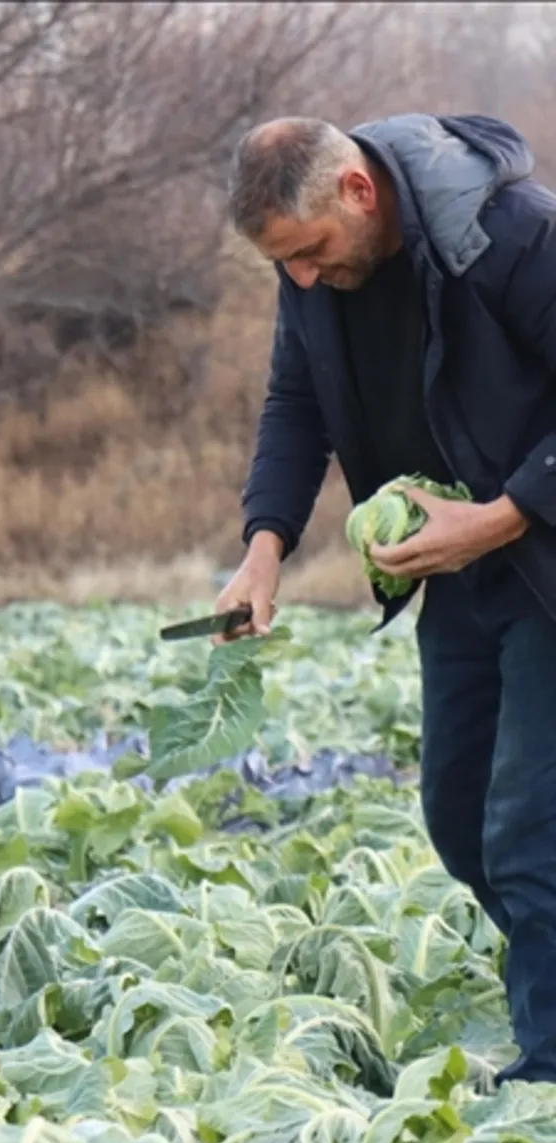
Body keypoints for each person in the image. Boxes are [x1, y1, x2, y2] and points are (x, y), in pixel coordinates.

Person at [215, 110, 556, 1083]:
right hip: (456, 578)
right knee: (458, 815)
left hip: (544, 567)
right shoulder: (312, 275)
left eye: (313, 251)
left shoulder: (514, 234)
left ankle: (549, 1079)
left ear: (359, 192)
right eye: (286, 265)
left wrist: (502, 515)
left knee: (532, 828)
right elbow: (296, 402)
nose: (306, 278)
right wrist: (264, 548)